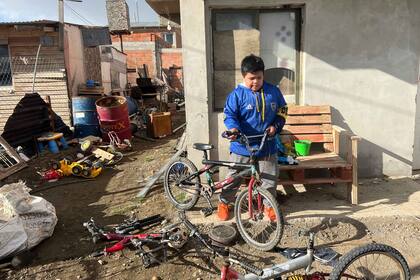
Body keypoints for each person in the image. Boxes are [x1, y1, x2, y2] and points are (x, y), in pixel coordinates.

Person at [218, 54, 288, 221]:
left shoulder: (274, 92)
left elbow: (282, 111)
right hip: (242, 146)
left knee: (269, 178)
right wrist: (233, 129)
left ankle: (269, 206)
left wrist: (276, 126)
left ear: (263, 75)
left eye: (259, 77)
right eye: (251, 78)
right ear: (244, 76)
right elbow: (229, 115)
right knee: (234, 177)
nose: (255, 81)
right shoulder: (236, 95)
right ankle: (224, 203)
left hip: (267, 144)